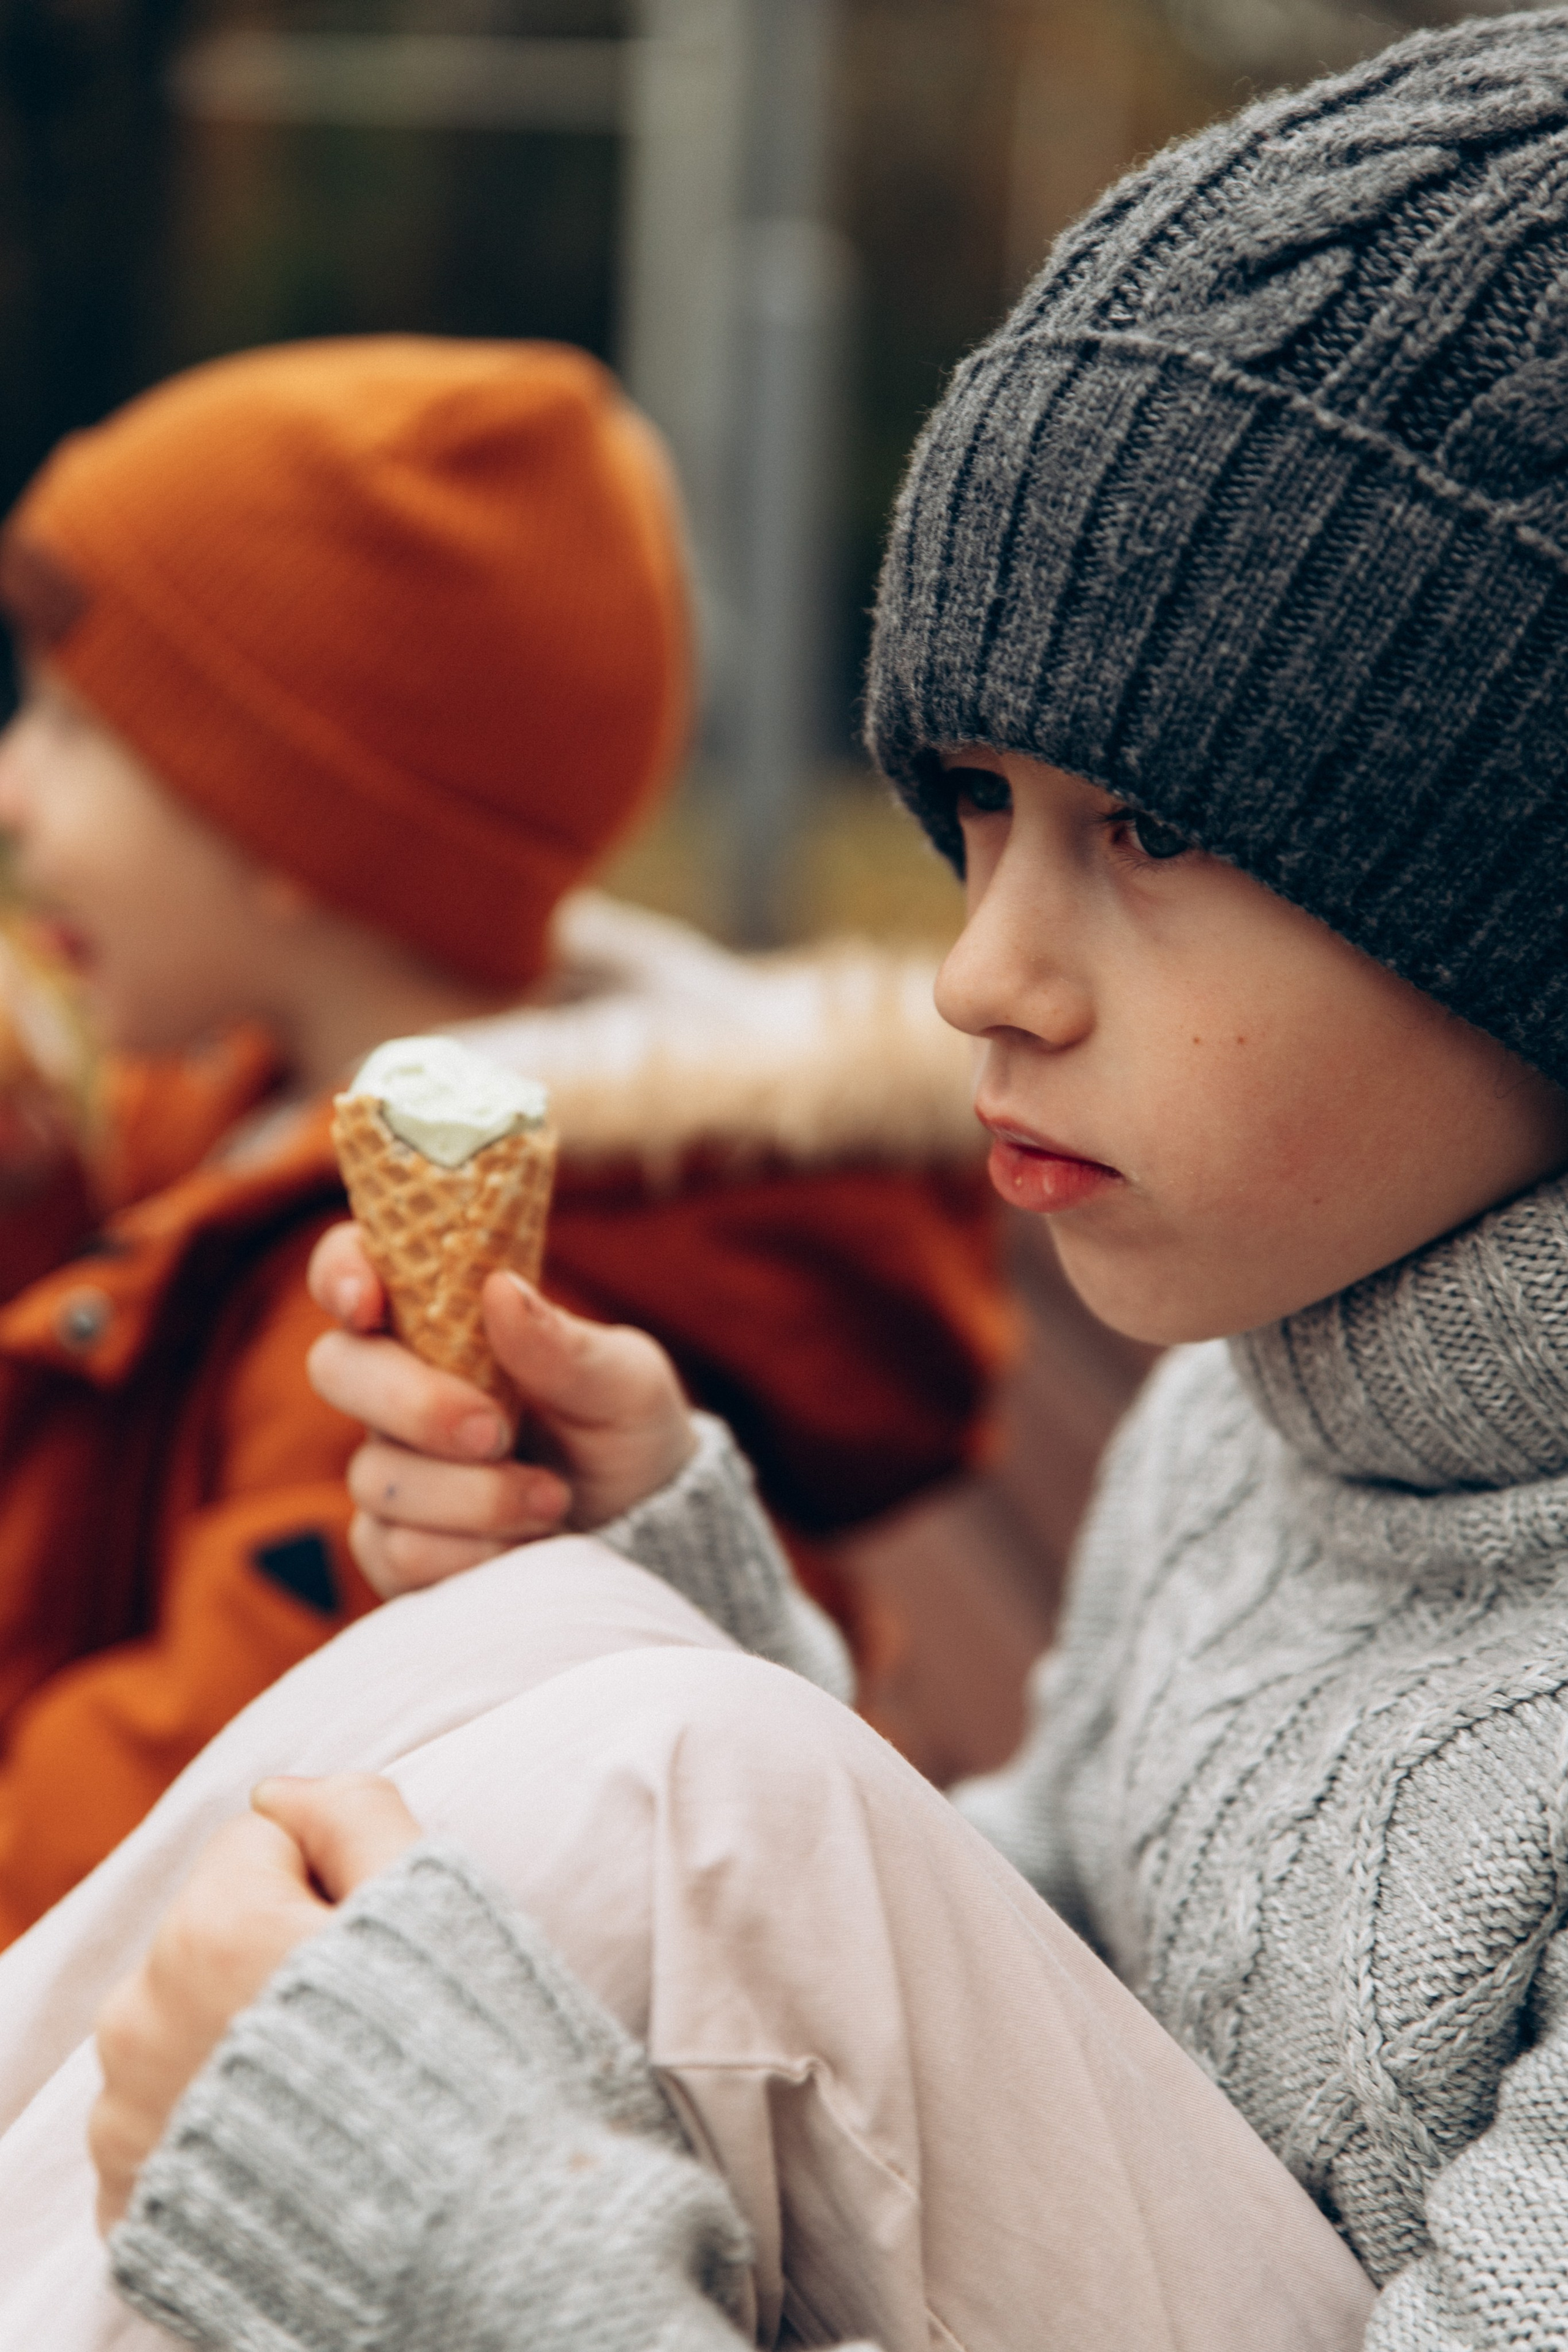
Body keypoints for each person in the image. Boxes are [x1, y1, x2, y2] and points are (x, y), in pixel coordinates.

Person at [7, 8, 1568, 2344]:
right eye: (979, 817)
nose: (982, 974)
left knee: (669, 1755)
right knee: (579, 1646)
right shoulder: (1261, 1412)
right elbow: (1051, 1993)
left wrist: (483, 2254)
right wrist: (677, 1582)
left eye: (1145, 830)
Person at [0, 336, 1008, 1947]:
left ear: (279, 815)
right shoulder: (247, 1124)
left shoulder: (418, 1358)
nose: (12, 790)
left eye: (70, 723)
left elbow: (120, 1855)